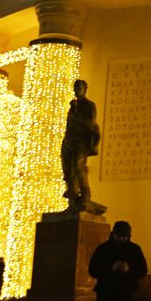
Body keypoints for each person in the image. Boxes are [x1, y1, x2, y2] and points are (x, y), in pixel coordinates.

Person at [60, 80, 101, 213]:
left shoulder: (89, 105)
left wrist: (77, 114)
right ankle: (72, 197)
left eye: (79, 87)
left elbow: (90, 123)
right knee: (68, 171)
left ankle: (86, 195)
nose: (76, 89)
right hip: (69, 141)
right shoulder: (72, 107)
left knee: (78, 167)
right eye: (75, 87)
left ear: (85, 89)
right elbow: (69, 126)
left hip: (81, 141)